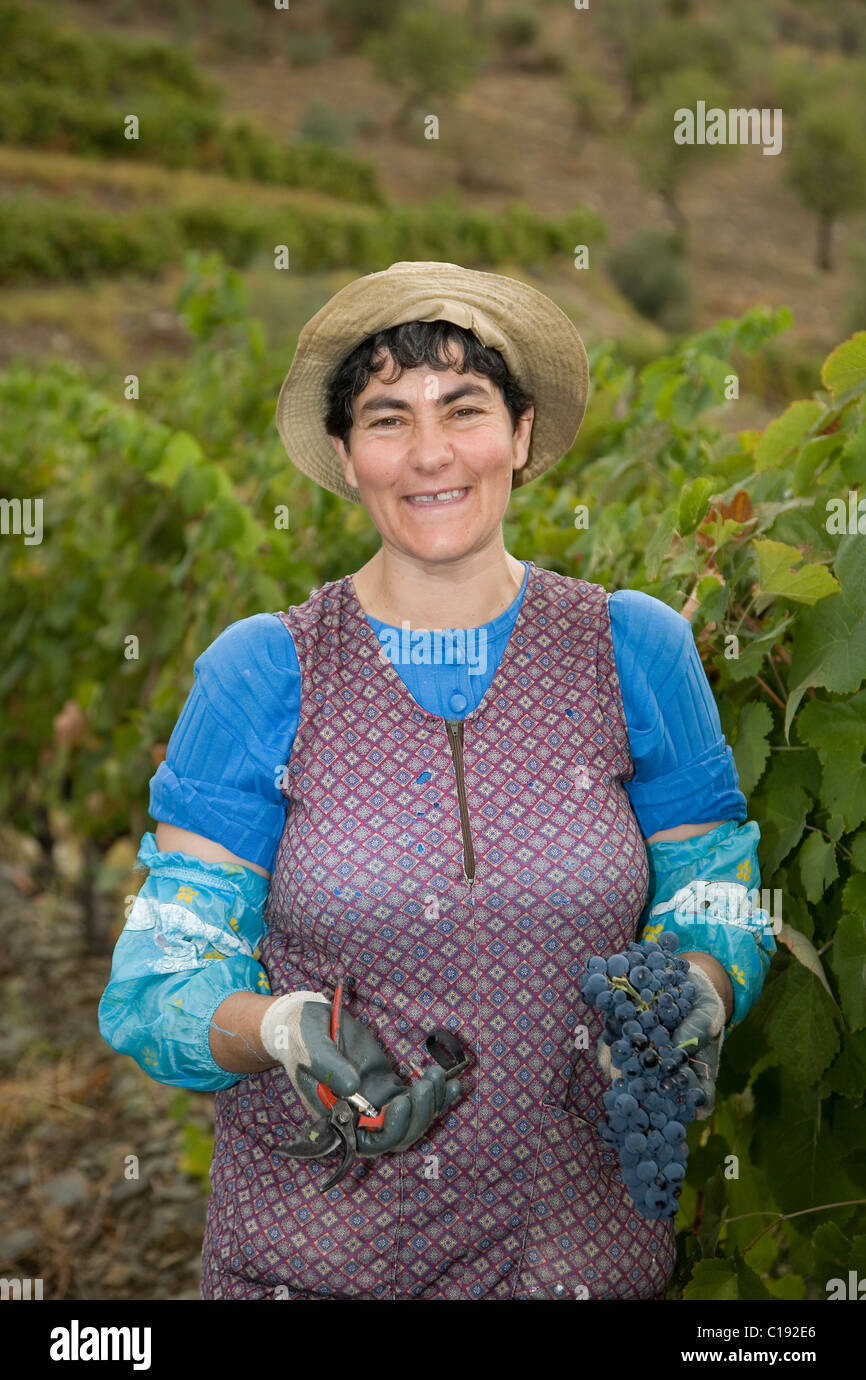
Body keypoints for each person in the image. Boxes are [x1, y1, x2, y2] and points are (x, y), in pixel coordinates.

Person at [99, 260, 776, 1300]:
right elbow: (160, 975)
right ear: (344, 452)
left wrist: (699, 985)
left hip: (574, 1263)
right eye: (385, 418)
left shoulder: (633, 648)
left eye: (462, 409)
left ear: (519, 431)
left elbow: (712, 890)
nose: (428, 454)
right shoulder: (263, 671)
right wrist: (276, 1028)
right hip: (316, 1266)